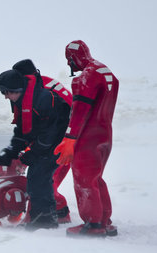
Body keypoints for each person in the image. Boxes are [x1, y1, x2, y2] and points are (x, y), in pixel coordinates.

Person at [53, 40, 119, 237]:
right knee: (96, 178)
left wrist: (70, 138)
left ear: (74, 58)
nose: (68, 65)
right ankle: (105, 220)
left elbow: (80, 111)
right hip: (105, 133)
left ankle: (93, 224)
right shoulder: (105, 72)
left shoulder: (87, 77)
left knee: (84, 179)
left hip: (88, 136)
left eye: (68, 60)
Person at [0, 66, 71, 230]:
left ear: (16, 89)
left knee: (40, 179)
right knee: (37, 178)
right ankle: (50, 217)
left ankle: (44, 220)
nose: (6, 97)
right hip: (47, 144)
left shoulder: (41, 99)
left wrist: (31, 155)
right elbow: (24, 130)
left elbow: (48, 135)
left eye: (6, 92)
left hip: (60, 144)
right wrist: (12, 151)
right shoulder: (26, 99)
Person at [12, 59, 74, 223]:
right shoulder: (38, 85)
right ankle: (60, 214)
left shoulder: (39, 92)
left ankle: (39, 219)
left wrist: (35, 152)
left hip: (65, 142)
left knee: (42, 180)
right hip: (59, 139)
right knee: (44, 180)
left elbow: (49, 128)